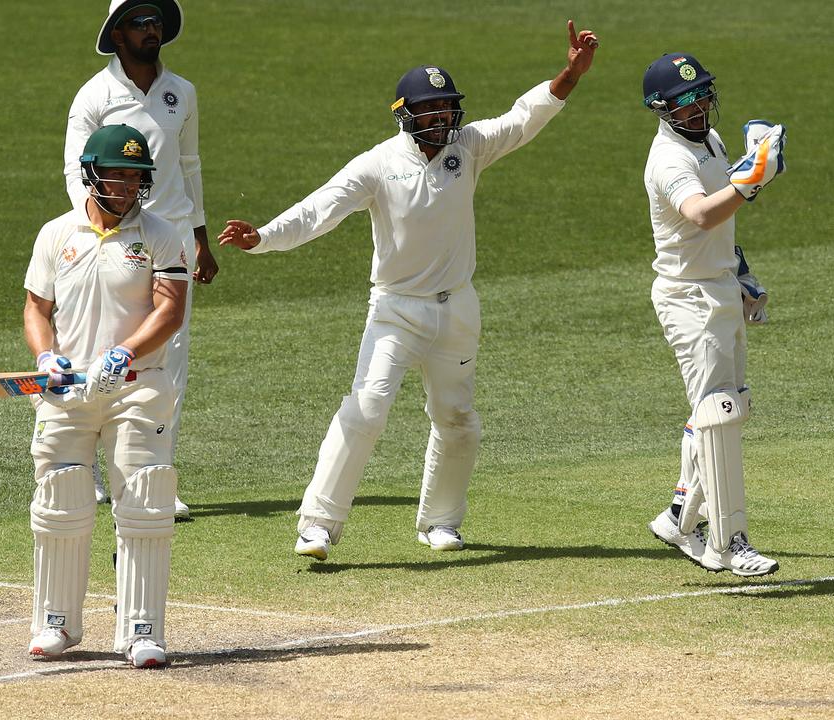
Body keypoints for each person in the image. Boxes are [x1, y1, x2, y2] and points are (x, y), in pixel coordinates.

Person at [218, 22, 600, 561]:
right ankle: (318, 525)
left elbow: (521, 119)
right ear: (406, 114)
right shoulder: (378, 163)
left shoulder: (466, 147)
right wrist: (262, 238)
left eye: (449, 109)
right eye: (433, 111)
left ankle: (441, 522)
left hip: (458, 307)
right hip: (396, 310)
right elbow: (319, 210)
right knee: (367, 408)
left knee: (458, 418)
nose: (445, 120)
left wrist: (570, 74)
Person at [24, 124, 189, 666]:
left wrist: (125, 354)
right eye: (116, 173)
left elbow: (170, 309)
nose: (125, 186)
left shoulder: (162, 234)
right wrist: (46, 357)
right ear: (91, 172)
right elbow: (36, 309)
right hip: (67, 390)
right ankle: (56, 623)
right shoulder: (56, 233)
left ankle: (142, 631)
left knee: (143, 499)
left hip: (136, 387)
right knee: (60, 495)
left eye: (136, 176)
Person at [65, 0, 216, 515]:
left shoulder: (183, 92)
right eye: (139, 22)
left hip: (169, 240)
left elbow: (189, 166)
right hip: (110, 241)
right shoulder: (94, 95)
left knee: (167, 364)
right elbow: (74, 173)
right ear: (117, 31)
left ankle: (154, 480)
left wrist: (200, 236)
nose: (151, 30)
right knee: (99, 353)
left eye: (155, 22)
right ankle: (84, 474)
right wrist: (99, 232)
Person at [639, 51, 786, 577]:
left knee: (727, 410)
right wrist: (751, 182)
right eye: (684, 99)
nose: (697, 105)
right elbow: (701, 215)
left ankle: (680, 517)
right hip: (688, 298)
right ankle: (728, 543)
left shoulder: (710, 140)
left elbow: (722, 229)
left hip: (720, 287)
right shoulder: (668, 158)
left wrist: (742, 277)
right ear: (662, 108)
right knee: (718, 411)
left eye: (701, 93)